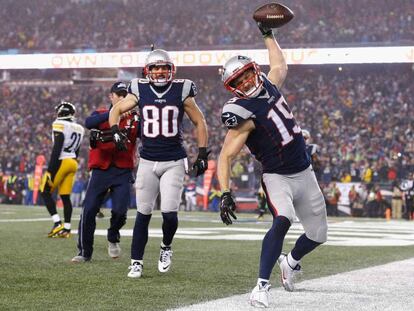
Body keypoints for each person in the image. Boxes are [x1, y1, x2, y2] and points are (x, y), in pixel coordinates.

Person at [217, 22, 328, 308]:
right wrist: (225, 191)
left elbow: (279, 65)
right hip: (277, 175)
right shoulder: (240, 112)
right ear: (232, 89)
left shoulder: (268, 84)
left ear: (254, 70)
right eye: (238, 82)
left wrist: (269, 35)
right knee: (283, 219)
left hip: (304, 170)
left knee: (318, 235)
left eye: (246, 76)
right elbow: (226, 156)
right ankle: (261, 287)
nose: (245, 84)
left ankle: (290, 262)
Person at [109, 49, 209, 278]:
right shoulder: (138, 88)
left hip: (173, 160)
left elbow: (199, 121)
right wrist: (115, 131)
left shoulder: (182, 89)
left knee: (169, 213)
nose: (160, 71)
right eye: (155, 67)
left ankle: (166, 246)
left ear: (171, 69)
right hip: (147, 160)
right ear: (148, 71)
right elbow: (117, 109)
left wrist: (202, 153)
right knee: (143, 213)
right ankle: (136, 262)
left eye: (164, 67)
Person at [71, 82, 139, 263]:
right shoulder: (100, 113)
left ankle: (113, 236)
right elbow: (88, 122)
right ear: (111, 96)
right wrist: (114, 113)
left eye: (125, 95)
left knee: (121, 211)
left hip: (123, 170)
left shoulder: (135, 118)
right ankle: (85, 252)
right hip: (101, 169)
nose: (122, 98)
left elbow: (146, 135)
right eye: (119, 94)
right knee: (90, 209)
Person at [40, 101, 84, 238]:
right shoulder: (79, 128)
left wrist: (50, 170)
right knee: (65, 196)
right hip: (72, 162)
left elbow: (57, 148)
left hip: (62, 161)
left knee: (45, 191)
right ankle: (67, 229)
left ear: (61, 112)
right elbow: (77, 150)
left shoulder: (59, 124)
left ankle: (57, 223)